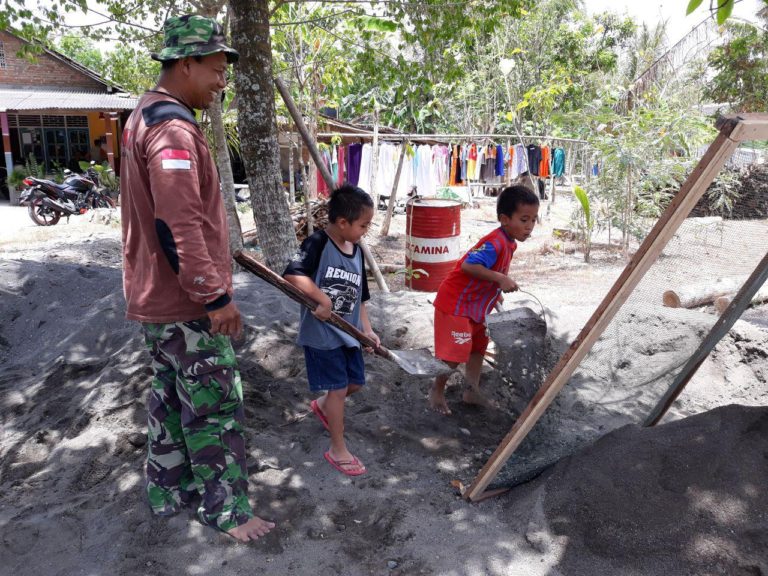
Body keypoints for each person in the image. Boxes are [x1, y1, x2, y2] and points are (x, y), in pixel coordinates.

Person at [120, 14, 274, 542]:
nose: (222, 82)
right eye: (215, 69)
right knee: (214, 407)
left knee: (167, 396)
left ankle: (169, 490)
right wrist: (215, 296)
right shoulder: (172, 131)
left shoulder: (143, 115)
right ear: (185, 64)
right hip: (186, 305)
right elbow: (177, 222)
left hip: (155, 302)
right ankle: (226, 511)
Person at [283, 184, 380, 477]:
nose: (366, 230)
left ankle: (323, 405)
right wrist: (321, 298)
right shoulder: (318, 244)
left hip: (348, 332)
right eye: (363, 225)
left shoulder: (357, 251)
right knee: (338, 388)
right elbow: (292, 274)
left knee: (355, 384)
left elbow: (360, 297)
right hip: (322, 334)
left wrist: (368, 330)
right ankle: (337, 448)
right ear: (342, 222)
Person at [429, 185, 540, 415]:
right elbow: (470, 265)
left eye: (533, 220)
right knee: (455, 353)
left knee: (478, 347)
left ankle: (471, 390)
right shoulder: (494, 242)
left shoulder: (509, 242)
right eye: (524, 219)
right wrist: (499, 278)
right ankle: (437, 391)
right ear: (505, 219)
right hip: (456, 304)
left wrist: (495, 288)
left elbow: (490, 271)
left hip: (476, 306)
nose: (529, 226)